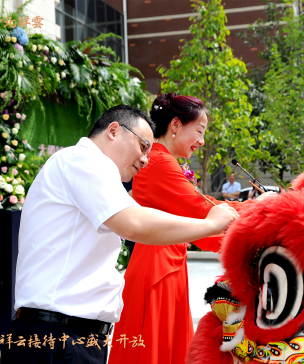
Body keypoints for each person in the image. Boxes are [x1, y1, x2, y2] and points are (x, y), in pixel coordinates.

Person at [0, 105, 239, 364]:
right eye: (142, 146)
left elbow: (140, 215)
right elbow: (134, 222)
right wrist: (211, 224)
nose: (146, 158)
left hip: (70, 335)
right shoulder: (83, 161)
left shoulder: (91, 172)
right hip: (56, 336)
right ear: (114, 131)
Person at [108, 93, 275, 364]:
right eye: (199, 130)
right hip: (158, 270)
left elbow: (202, 216)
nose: (202, 140)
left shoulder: (164, 161)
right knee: (158, 351)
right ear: (175, 125)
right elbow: (203, 211)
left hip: (166, 265)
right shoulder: (161, 163)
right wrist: (261, 208)